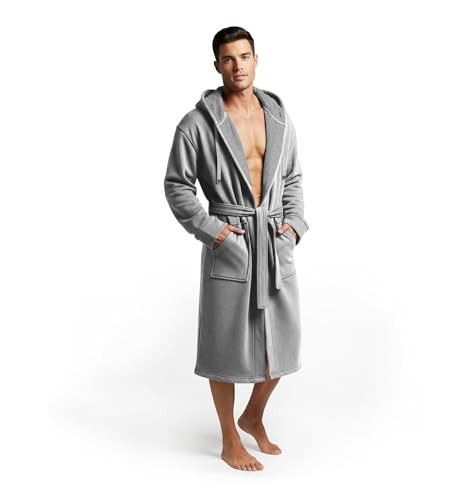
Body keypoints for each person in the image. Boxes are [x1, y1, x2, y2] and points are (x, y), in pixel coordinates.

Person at [164, 26, 309, 471]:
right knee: (224, 345)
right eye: (228, 59)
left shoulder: (278, 116)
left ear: (256, 59)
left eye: (244, 56)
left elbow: (293, 178)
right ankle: (230, 438)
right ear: (217, 65)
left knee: (284, 341)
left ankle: (253, 416)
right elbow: (177, 186)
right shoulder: (197, 124)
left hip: (273, 241)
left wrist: (293, 227)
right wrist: (215, 233)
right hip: (232, 242)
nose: (237, 66)